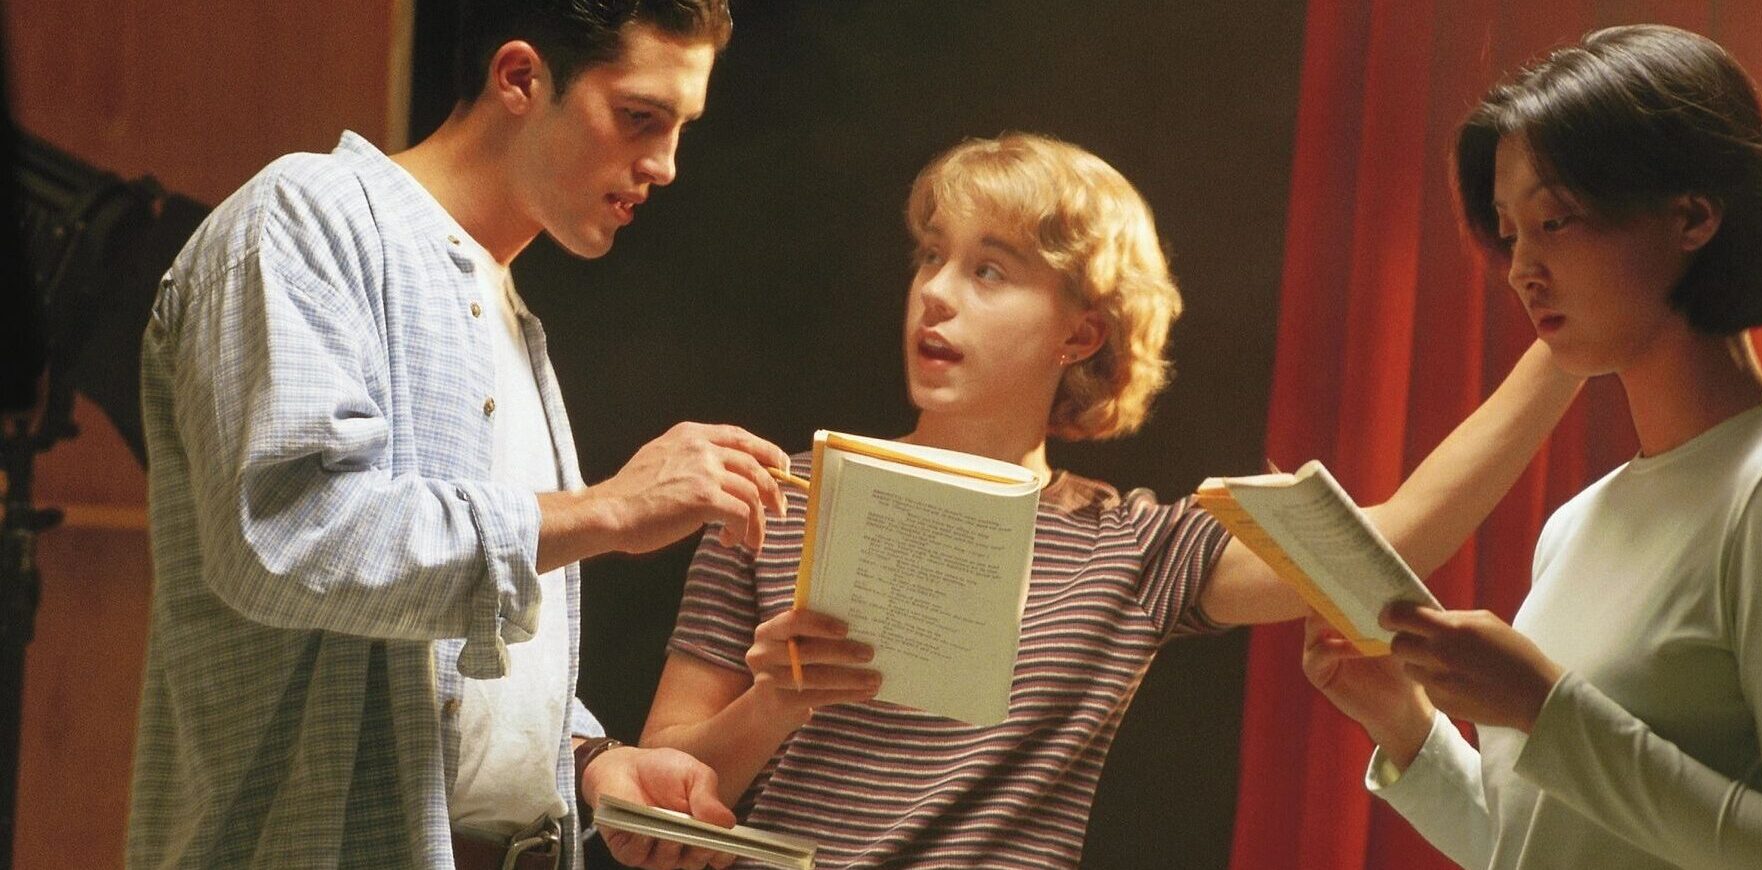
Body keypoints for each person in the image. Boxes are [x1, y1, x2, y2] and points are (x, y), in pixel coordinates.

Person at [639, 132, 1586, 867]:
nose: (935, 295)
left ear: (1080, 333)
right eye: (931, 257)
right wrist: (774, 702)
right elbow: (651, 806)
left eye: (989, 270)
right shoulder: (779, 499)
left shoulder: (1131, 546)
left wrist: (1570, 340)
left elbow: (1391, 541)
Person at [128, 2, 785, 868]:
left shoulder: (510, 308)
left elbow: (450, 668)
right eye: (638, 117)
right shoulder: (307, 217)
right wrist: (608, 511)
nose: (663, 164)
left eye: (679, 128)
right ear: (520, 78)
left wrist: (590, 762)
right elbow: (288, 539)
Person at [1302, 24, 1762, 870]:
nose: (1521, 268)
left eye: (1556, 220)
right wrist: (1406, 723)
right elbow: (1545, 847)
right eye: (1509, 233)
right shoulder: (1577, 523)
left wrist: (1547, 711)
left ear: (1691, 214)